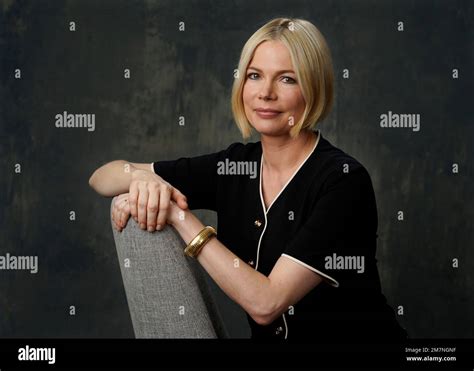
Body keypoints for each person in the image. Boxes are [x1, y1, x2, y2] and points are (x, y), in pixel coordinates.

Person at [89, 17, 408, 341]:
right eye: (255, 76)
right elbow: (103, 176)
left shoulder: (343, 181)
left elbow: (267, 304)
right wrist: (149, 180)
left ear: (313, 88)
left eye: (286, 79)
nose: (265, 93)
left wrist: (179, 215)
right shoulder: (235, 166)